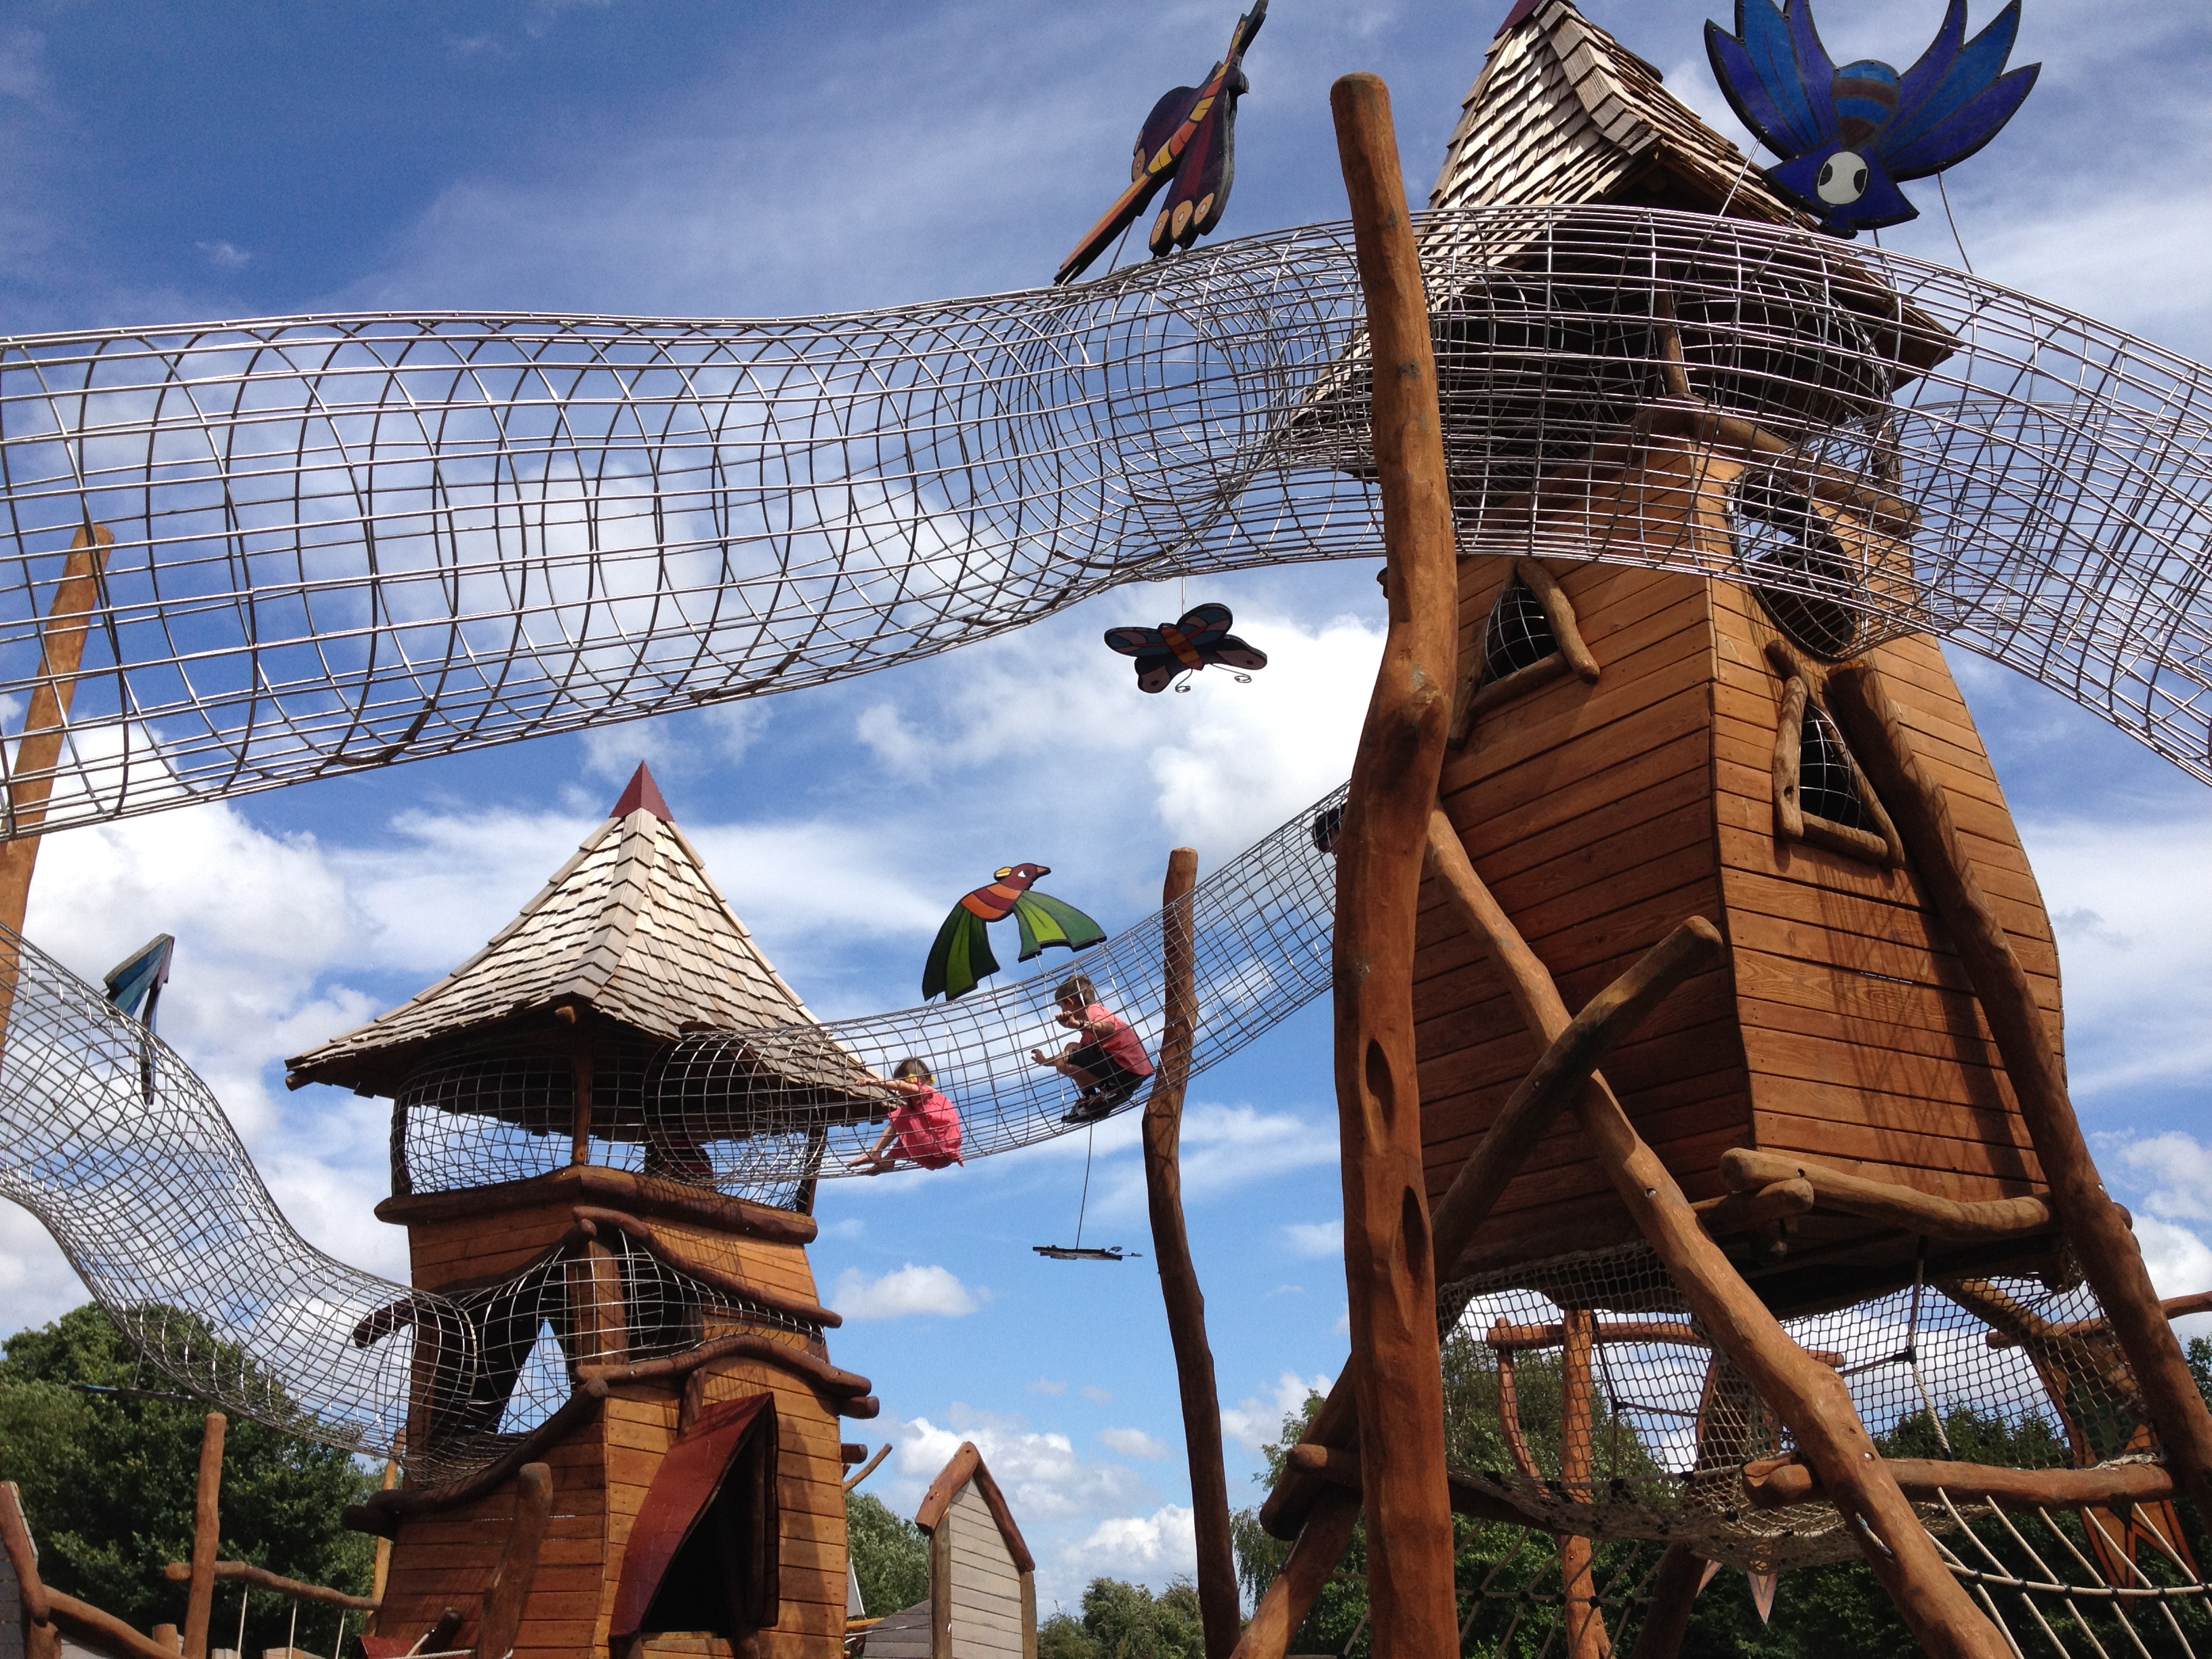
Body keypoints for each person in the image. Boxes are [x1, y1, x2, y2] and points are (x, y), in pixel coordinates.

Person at [1031, 972, 1154, 1124]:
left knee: (1065, 1059)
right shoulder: (1088, 1030)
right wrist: (1045, 1061)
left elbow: (1109, 1028)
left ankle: (1111, 1089)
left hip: (1127, 1069)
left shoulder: (1094, 1010)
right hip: (1123, 1067)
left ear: (1070, 1003)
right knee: (1071, 1048)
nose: (1061, 1010)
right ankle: (1091, 1098)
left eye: (1061, 1006)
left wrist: (1076, 1024)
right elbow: (1074, 1054)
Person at [848, 1058, 964, 1173]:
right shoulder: (934, 1101)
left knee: (902, 1114)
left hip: (936, 1149)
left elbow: (902, 1086)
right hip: (947, 1154)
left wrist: (873, 1082)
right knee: (911, 1125)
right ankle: (888, 1159)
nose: (898, 1093)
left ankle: (875, 1152)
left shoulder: (924, 1091)